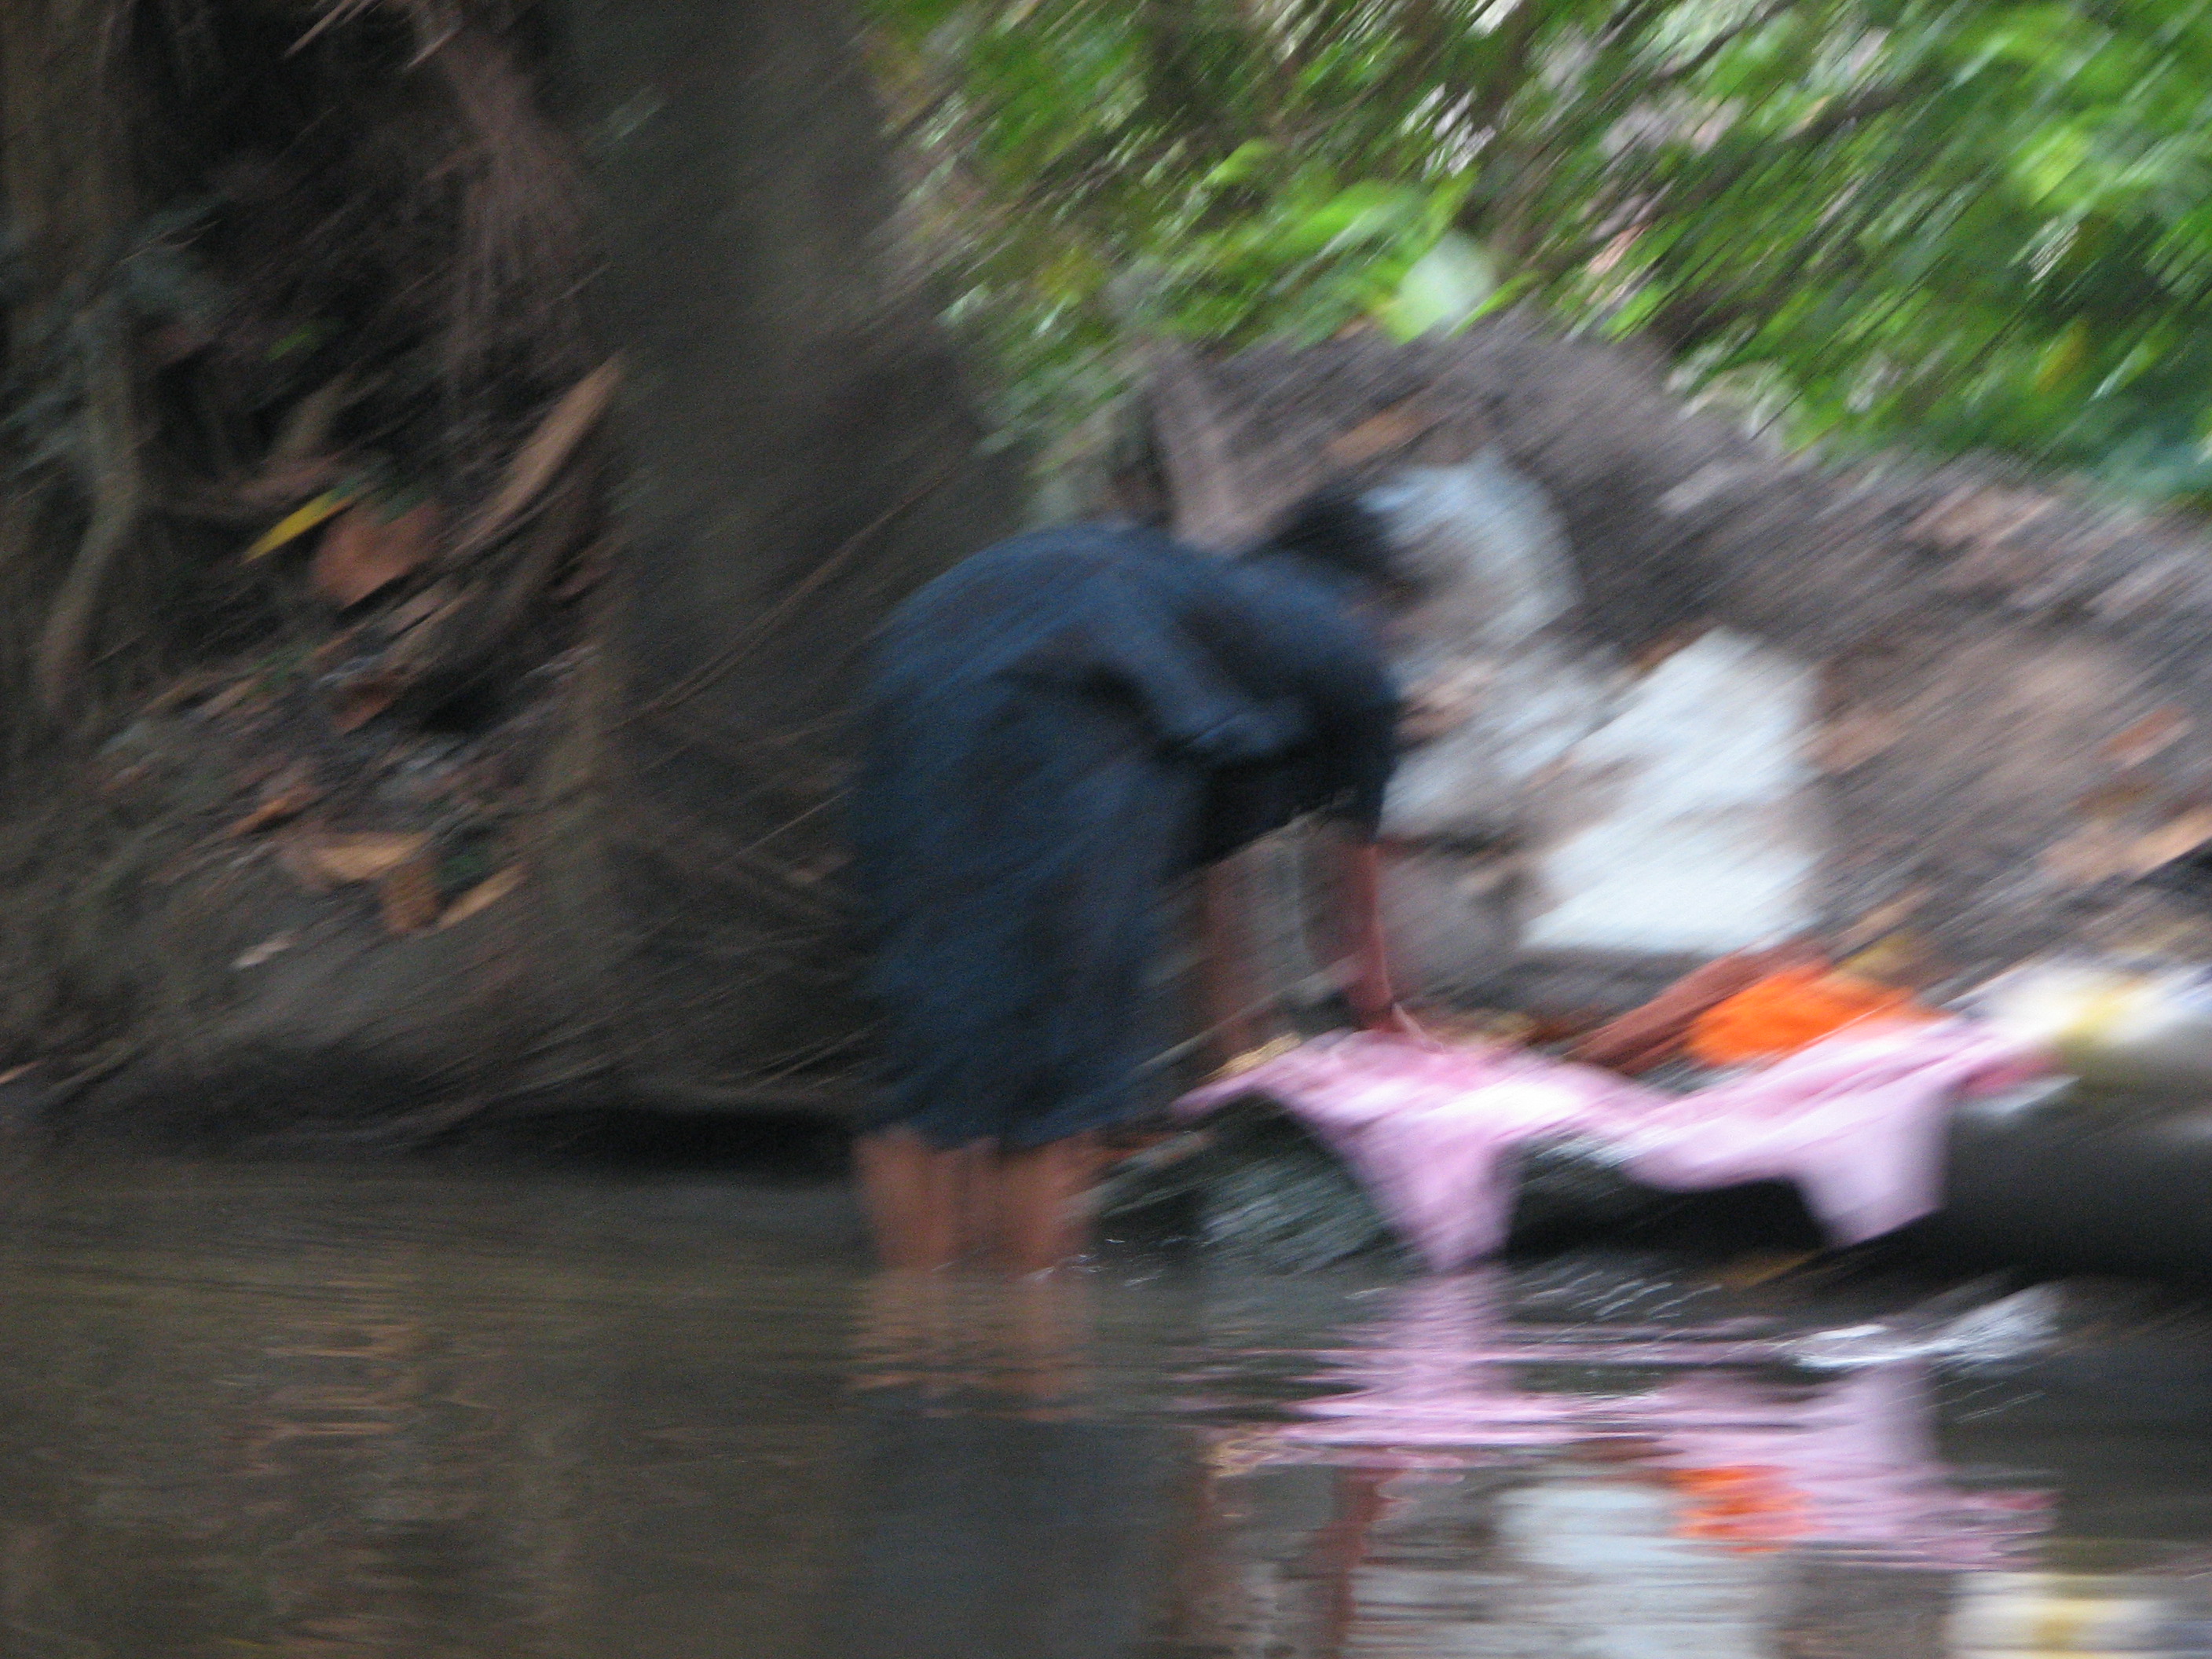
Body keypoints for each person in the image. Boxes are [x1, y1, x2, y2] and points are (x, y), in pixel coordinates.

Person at [848, 488, 1409, 1273]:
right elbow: (1353, 907)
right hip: (1068, 670)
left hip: (919, 652)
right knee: (1048, 1089)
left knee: (930, 1054)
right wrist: (1383, 1013)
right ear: (1368, 597)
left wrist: (1233, 1049)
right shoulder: (1344, 648)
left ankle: (907, 1330)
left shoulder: (1208, 613)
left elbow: (1211, 877)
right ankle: (1018, 1336)